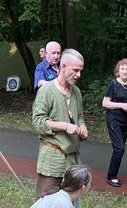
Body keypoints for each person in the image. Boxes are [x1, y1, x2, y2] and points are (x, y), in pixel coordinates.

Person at [32, 48, 88, 197]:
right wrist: (64, 126)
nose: (79, 75)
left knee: (70, 202)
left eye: (80, 70)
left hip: (73, 159)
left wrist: (82, 127)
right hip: (53, 157)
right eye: (75, 70)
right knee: (46, 202)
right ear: (63, 67)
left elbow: (79, 116)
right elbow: (37, 122)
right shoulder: (47, 91)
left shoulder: (76, 92)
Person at [102, 58, 127, 188]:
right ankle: (111, 177)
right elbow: (105, 103)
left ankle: (113, 174)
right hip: (113, 120)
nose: (124, 71)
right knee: (119, 148)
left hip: (125, 122)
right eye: (122, 68)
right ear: (118, 70)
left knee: (119, 149)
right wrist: (122, 105)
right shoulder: (113, 84)